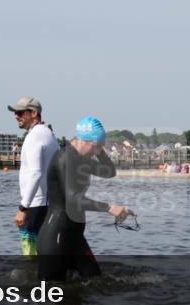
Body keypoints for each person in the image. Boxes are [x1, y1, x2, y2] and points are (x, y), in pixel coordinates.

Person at [37, 117, 132, 282]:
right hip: (56, 236)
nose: (97, 152)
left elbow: (109, 172)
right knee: (51, 295)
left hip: (74, 235)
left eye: (100, 148)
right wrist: (109, 207)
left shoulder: (82, 159)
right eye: (95, 147)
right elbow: (72, 199)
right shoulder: (64, 158)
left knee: (95, 280)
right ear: (81, 140)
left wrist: (99, 149)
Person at [9, 97, 59, 257]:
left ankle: (32, 281)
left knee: (30, 255)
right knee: (46, 251)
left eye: (20, 112)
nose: (16, 116)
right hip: (49, 203)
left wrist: (23, 208)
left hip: (35, 205)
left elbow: (36, 173)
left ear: (34, 113)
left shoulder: (34, 137)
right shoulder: (49, 134)